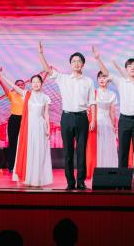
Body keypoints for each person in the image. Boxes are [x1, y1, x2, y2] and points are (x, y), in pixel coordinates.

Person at [38, 42, 95, 191]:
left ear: (83, 64)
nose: (76, 63)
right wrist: (41, 54)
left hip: (82, 118)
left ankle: (81, 182)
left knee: (81, 151)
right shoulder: (62, 78)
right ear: (70, 64)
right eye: (73, 61)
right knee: (68, 152)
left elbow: (92, 102)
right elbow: (47, 70)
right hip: (67, 117)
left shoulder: (88, 81)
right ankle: (70, 182)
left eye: (79, 61)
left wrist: (93, 119)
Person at [94, 49, 134, 191]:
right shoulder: (121, 82)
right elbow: (106, 73)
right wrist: (98, 59)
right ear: (126, 69)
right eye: (130, 66)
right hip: (124, 120)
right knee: (123, 152)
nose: (132, 68)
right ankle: (122, 180)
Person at [0, 67, 53, 187]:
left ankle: (38, 179)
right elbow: (12, 85)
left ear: (41, 83)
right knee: (29, 151)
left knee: (39, 152)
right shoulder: (27, 94)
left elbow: (46, 114)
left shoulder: (45, 97)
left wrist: (48, 128)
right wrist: (1, 74)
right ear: (30, 84)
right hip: (28, 126)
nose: (36, 84)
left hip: (40, 126)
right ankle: (28, 178)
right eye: (33, 82)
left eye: (38, 82)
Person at [86, 70, 119, 179]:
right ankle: (96, 170)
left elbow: (112, 112)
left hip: (107, 123)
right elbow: (89, 108)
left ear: (108, 80)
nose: (102, 79)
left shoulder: (112, 94)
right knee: (97, 146)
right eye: (100, 77)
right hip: (96, 123)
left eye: (104, 77)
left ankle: (108, 170)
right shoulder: (93, 93)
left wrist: (114, 126)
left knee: (108, 147)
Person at [0, 69, 27, 173]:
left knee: (24, 143)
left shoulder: (28, 95)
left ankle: (23, 165)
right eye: (18, 84)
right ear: (14, 86)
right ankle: (12, 166)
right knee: (13, 143)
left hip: (25, 120)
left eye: (22, 84)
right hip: (14, 120)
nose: (20, 86)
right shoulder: (12, 94)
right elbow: (3, 85)